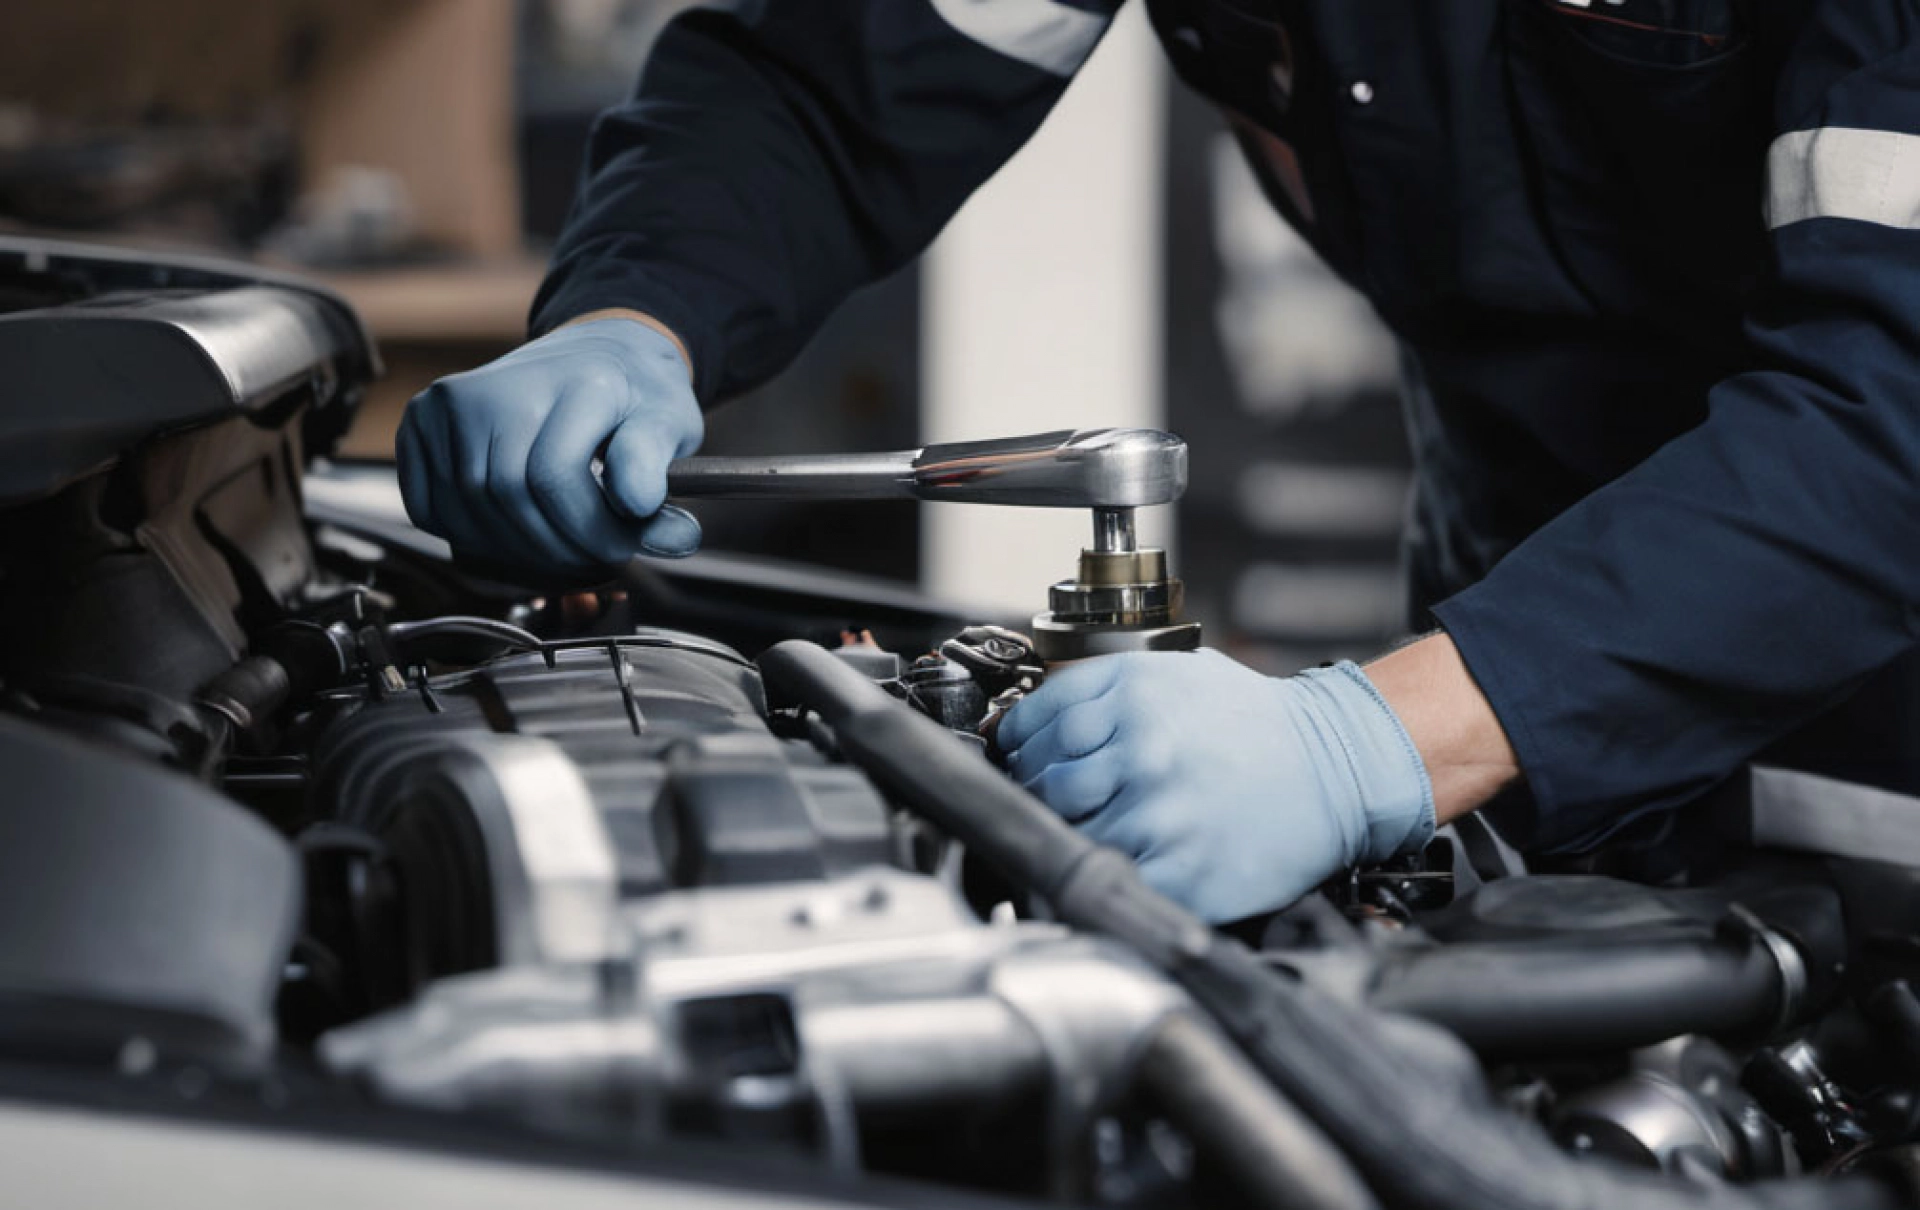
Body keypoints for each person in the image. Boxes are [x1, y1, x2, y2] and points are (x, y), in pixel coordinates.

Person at [397, 0, 1920, 923]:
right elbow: (821, 82)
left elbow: (1894, 417)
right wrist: (629, 316)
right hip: (1519, 649)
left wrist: (1369, 744)